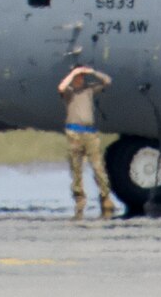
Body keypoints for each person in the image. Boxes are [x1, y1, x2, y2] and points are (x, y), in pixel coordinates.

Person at [58, 64, 115, 219]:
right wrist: (73, 73)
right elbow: (61, 87)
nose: (80, 79)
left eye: (82, 76)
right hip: (74, 133)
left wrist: (92, 72)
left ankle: (105, 197)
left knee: (98, 167)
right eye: (78, 76)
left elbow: (107, 81)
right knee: (76, 168)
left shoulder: (89, 90)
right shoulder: (70, 92)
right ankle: (79, 199)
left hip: (90, 134)